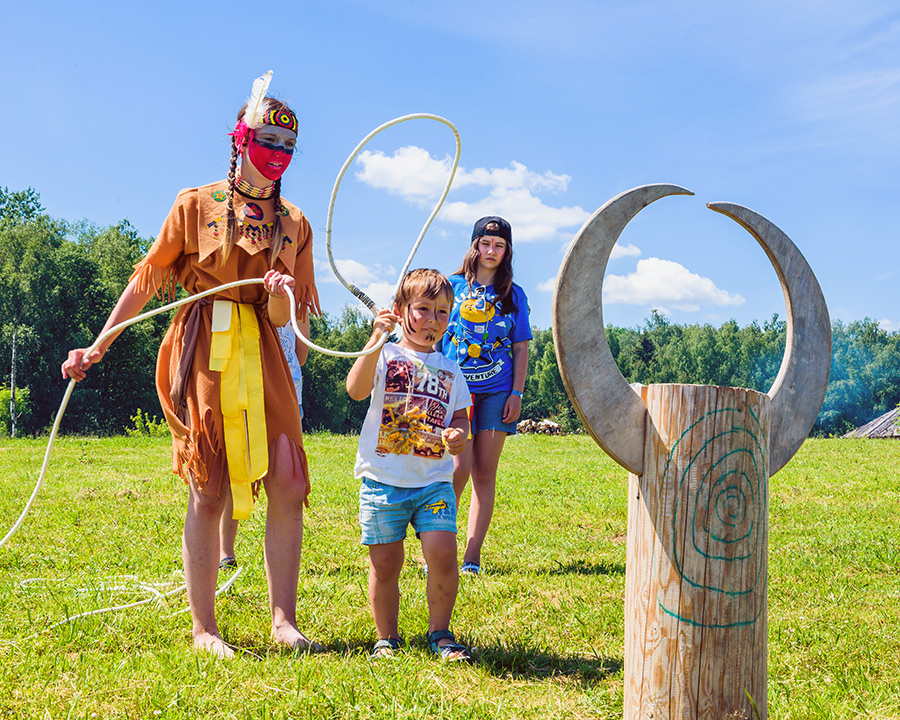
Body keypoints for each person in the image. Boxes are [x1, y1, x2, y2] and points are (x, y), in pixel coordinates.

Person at [61, 75, 320, 658]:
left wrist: (282, 310)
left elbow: (293, 316)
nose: (278, 154)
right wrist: (99, 345)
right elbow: (146, 280)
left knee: (288, 478)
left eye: (288, 147)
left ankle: (283, 620)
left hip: (267, 349)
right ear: (241, 139)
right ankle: (204, 628)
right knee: (208, 484)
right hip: (204, 345)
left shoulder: (294, 223)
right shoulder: (194, 203)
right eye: (268, 141)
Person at [346, 269, 472, 660]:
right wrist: (374, 339)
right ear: (400, 310)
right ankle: (387, 638)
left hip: (434, 482)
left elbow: (461, 417)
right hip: (383, 480)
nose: (433, 320)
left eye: (442, 311)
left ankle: (441, 634)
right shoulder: (384, 355)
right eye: (423, 309)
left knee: (443, 554)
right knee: (385, 563)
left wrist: (458, 434)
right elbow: (355, 390)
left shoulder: (451, 369)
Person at [440, 216, 531, 576]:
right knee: (456, 469)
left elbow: (520, 347)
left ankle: (471, 557)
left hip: (497, 391)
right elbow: (431, 331)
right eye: (486, 243)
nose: (491, 251)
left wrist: (517, 393)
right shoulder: (450, 286)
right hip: (454, 391)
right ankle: (439, 549)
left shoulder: (514, 294)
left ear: (507, 251)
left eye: (500, 245)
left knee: (483, 472)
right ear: (474, 246)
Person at [218, 317, 309, 571]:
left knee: (285, 478)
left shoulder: (298, 303)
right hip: (246, 388)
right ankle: (225, 551)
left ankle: (273, 556)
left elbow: (301, 356)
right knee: (234, 469)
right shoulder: (248, 299)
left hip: (286, 394)